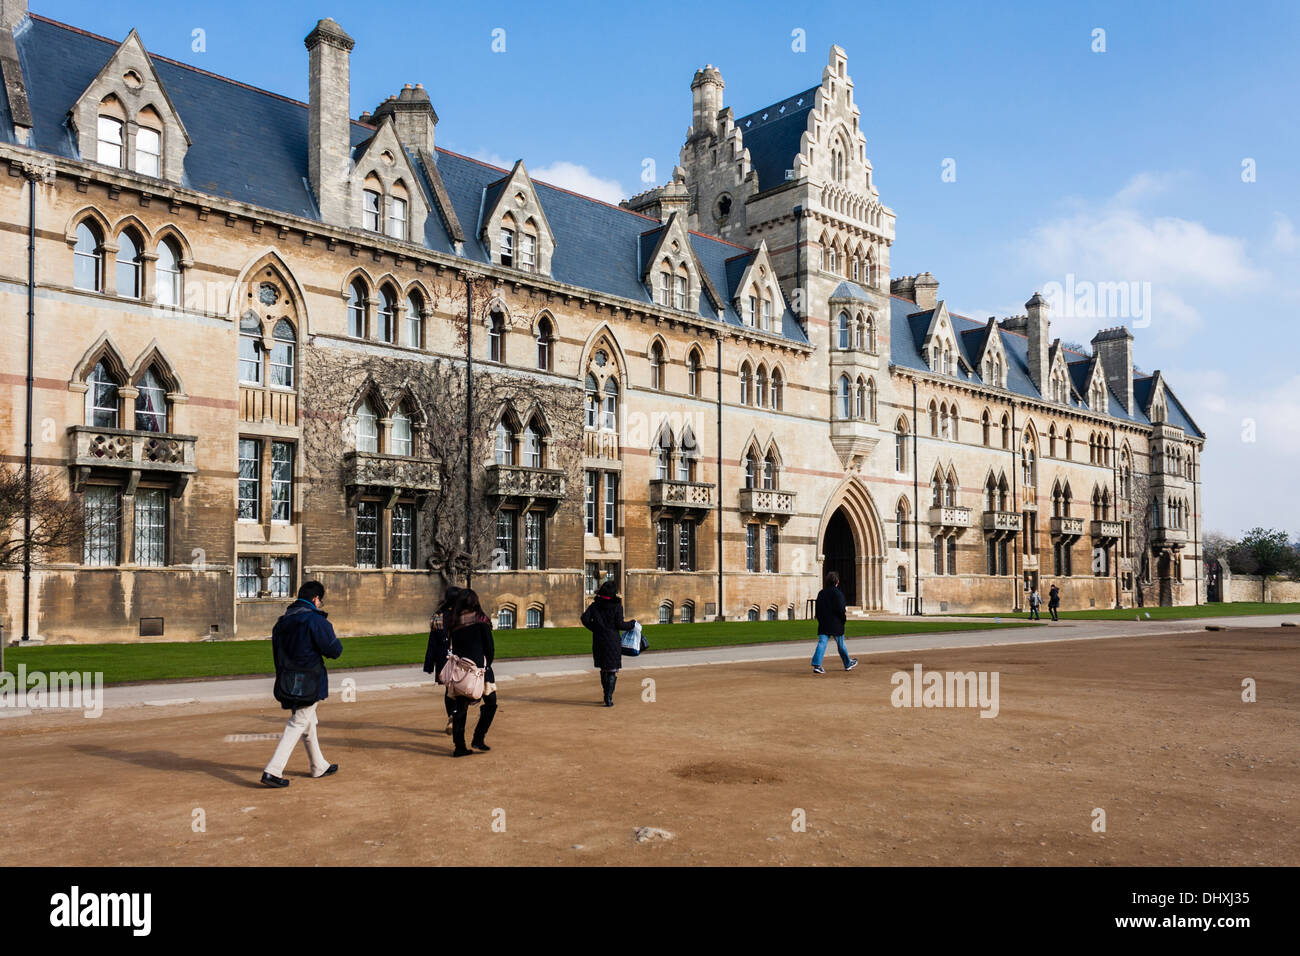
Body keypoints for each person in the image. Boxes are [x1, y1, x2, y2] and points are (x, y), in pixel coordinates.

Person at [262, 581, 342, 788]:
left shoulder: (282, 621)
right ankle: (273, 770)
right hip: (309, 679)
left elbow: (277, 655)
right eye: (320, 601)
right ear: (315, 599)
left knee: (307, 722)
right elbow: (334, 650)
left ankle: (318, 765)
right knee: (298, 723)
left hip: (287, 679)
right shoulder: (315, 620)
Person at [446, 589, 497, 757]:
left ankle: (459, 746)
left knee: (461, 708)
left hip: (462, 671)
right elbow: (489, 649)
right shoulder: (481, 621)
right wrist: (486, 665)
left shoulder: (454, 623)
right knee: (491, 703)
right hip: (481, 669)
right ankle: (478, 738)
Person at [581, 579, 635, 706]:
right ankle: (608, 697)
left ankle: (606, 693)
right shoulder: (617, 606)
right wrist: (632, 624)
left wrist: (595, 628)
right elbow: (620, 624)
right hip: (612, 641)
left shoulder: (595, 605)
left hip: (599, 640)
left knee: (604, 668)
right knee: (612, 670)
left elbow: (584, 619)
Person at [424, 586, 461, 736]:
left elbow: (432, 643)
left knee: (449, 689)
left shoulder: (438, 616)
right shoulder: (463, 616)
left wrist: (429, 664)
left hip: (442, 658)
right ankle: (456, 715)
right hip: (460, 657)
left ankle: (452, 714)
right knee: (460, 689)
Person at [812, 571, 858, 675]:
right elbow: (841, 610)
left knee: (822, 643)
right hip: (836, 623)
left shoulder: (821, 593)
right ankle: (847, 664)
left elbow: (818, 609)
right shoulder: (838, 594)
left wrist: (820, 619)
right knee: (841, 644)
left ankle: (817, 665)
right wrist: (843, 620)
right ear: (837, 581)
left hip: (824, 622)